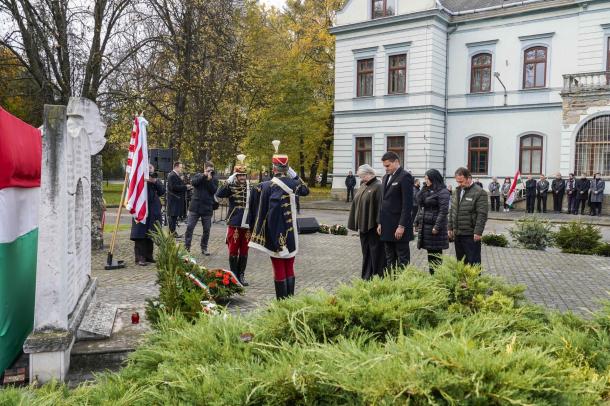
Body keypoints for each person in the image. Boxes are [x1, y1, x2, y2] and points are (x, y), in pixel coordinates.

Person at [249, 141, 310, 299]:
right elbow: (306, 190)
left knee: (278, 268)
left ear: (274, 168)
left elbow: (266, 213)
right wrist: (293, 173)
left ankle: (281, 304)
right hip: (291, 234)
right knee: (289, 265)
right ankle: (290, 301)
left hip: (275, 232)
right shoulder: (294, 183)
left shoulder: (267, 186)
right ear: (286, 168)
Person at [215, 156, 253, 286]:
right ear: (236, 176)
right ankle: (233, 276)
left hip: (247, 224)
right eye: (240, 175)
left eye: (244, 175)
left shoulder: (251, 188)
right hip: (235, 222)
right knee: (233, 250)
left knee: (244, 250)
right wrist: (227, 181)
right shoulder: (230, 187)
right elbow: (219, 194)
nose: (242, 178)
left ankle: (241, 275)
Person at [347, 164, 385, 280]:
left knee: (375, 252)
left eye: (362, 176)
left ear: (368, 174)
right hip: (363, 225)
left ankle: (377, 275)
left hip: (372, 226)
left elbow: (380, 206)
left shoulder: (378, 186)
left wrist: (380, 223)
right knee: (366, 252)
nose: (361, 179)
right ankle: (366, 275)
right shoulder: (364, 186)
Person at [377, 151, 414, 270]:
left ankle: (402, 285)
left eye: (388, 166)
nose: (386, 169)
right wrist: (379, 222)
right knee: (389, 259)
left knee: (402, 259)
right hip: (386, 226)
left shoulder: (405, 177)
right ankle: (391, 284)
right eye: (384, 166)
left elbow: (407, 205)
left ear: (396, 162)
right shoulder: (385, 177)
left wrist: (402, 225)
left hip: (399, 227)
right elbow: (382, 202)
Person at [448, 167, 488, 266]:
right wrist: (450, 227)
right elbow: (452, 210)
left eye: (461, 181)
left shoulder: (479, 192)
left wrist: (478, 232)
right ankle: (463, 281)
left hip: (471, 234)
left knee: (473, 262)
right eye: (457, 182)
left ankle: (474, 281)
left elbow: (482, 214)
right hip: (458, 233)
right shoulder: (456, 191)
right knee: (461, 262)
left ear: (468, 178)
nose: (459, 184)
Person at [414, 169, 450, 274]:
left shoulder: (443, 192)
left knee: (436, 255)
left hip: (435, 228)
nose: (425, 181)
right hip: (426, 227)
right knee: (430, 254)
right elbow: (420, 205)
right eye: (425, 179)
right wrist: (416, 222)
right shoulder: (427, 190)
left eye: (427, 179)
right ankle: (432, 275)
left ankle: (438, 277)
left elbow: (443, 211)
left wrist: (437, 227)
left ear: (433, 179)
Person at [130, 164, 165, 266]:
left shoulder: (155, 181)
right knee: (140, 233)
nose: (150, 174)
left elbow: (162, 191)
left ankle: (149, 256)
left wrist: (154, 182)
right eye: (148, 171)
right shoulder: (139, 178)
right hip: (141, 208)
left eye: (151, 171)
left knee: (151, 233)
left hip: (153, 210)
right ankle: (140, 257)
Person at [184, 162, 218, 255]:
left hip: (207, 208)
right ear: (205, 169)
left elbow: (214, 190)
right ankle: (186, 248)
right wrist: (204, 176)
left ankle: (204, 248)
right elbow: (194, 183)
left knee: (207, 229)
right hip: (195, 207)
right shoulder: (198, 176)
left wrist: (209, 180)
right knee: (190, 227)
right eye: (208, 170)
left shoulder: (214, 179)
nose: (210, 172)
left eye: (212, 170)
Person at [167, 161, 190, 236]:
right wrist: (185, 187)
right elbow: (173, 187)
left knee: (174, 217)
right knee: (172, 216)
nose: (181, 169)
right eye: (180, 167)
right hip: (174, 200)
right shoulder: (172, 175)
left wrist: (186, 186)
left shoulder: (175, 175)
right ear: (176, 167)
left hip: (176, 200)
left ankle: (173, 232)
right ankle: (172, 232)